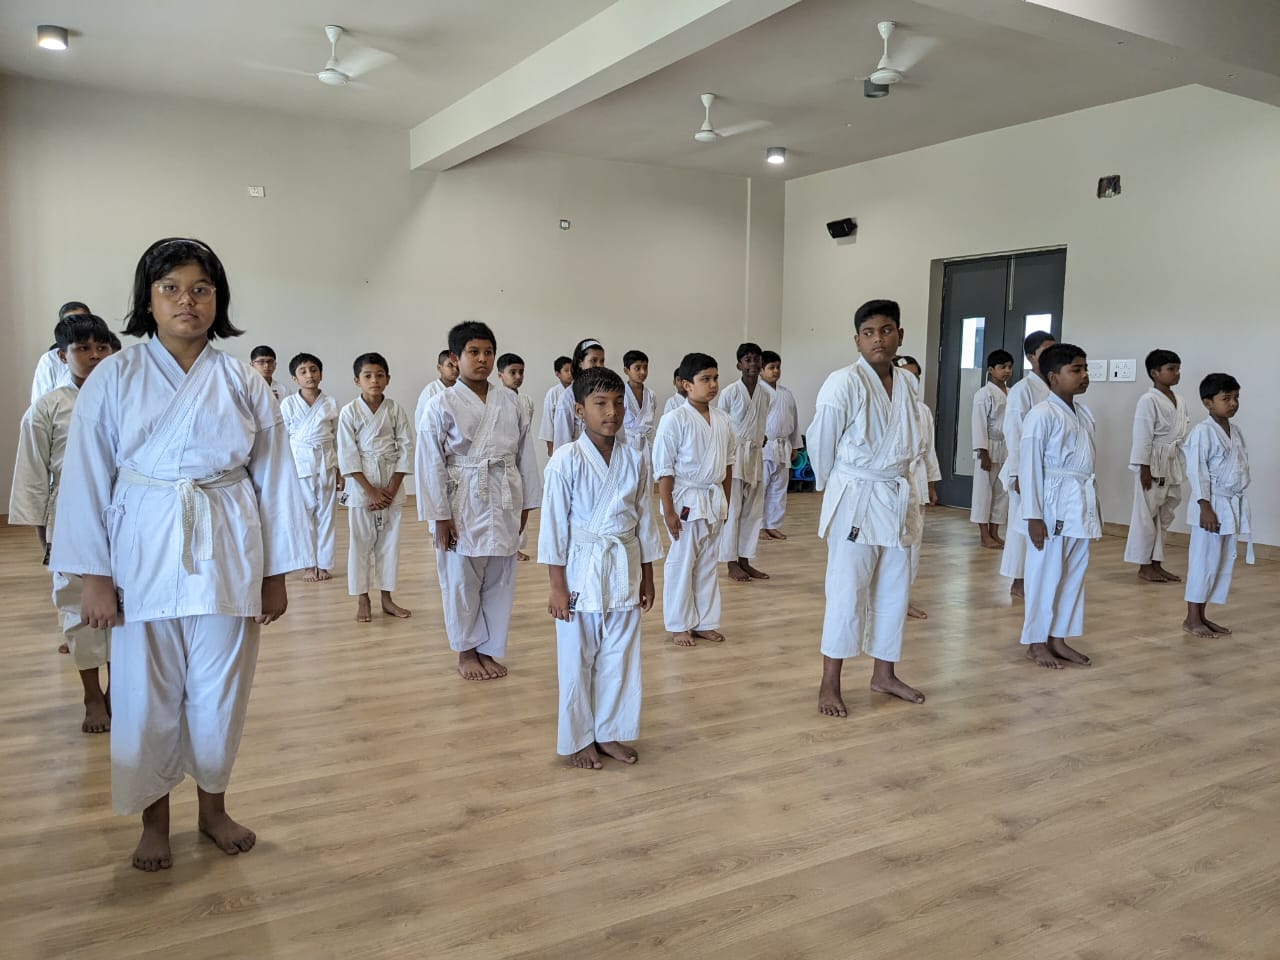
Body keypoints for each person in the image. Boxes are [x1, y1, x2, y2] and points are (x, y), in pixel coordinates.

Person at [50, 237, 312, 872]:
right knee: (144, 694)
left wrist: (275, 574)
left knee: (221, 691)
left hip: (227, 550)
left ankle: (213, 809)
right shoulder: (114, 377)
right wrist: (94, 578)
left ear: (217, 300)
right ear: (148, 300)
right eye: (170, 288)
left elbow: (275, 479)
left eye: (200, 289)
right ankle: (155, 820)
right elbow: (86, 479)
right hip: (142, 550)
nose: (186, 300)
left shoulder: (243, 381)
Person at [808, 300, 928, 718]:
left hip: (895, 494)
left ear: (900, 335)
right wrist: (835, 486)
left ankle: (884, 673)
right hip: (857, 495)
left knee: (895, 588)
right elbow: (821, 442)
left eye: (887, 330)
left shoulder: (908, 383)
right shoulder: (843, 382)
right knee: (847, 590)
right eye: (869, 332)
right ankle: (830, 682)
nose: (879, 339)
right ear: (857, 340)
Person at [540, 366, 662, 769]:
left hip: (624, 564)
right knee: (577, 659)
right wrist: (556, 586)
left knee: (620, 656)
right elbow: (553, 526)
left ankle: (610, 732)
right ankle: (578, 739)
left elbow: (645, 519)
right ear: (579, 410)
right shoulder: (565, 460)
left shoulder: (635, 458)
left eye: (618, 403)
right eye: (601, 403)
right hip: (581, 567)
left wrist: (648, 575)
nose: (612, 411)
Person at [417, 321, 542, 681]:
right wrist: (439, 516)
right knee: (461, 577)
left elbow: (524, 454)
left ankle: (489, 648)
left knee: (501, 576)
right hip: (462, 495)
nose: (483, 359)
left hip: (504, 493)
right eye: (473, 352)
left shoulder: (511, 401)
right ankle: (466, 650)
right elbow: (429, 463)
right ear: (455, 358)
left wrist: (526, 504)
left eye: (488, 352)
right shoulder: (440, 404)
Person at [10, 312, 115, 734]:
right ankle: (92, 695)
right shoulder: (46, 409)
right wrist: (46, 544)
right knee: (77, 609)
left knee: (125, 608)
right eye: (82, 348)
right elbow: (34, 479)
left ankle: (116, 691)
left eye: (101, 347)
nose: (94, 355)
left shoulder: (125, 397)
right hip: (69, 519)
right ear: (61, 355)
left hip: (123, 514)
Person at [1018, 343, 1099, 669]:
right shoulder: (1041, 415)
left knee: (1073, 573)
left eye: (1085, 369)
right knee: (1045, 573)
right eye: (1076, 370)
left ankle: (1058, 637)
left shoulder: (1084, 414)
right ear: (1053, 376)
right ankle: (1036, 641)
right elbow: (1029, 467)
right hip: (1051, 504)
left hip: (1078, 500)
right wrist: (1033, 515)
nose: (1084, 375)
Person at [653, 353, 735, 648]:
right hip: (686, 498)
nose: (713, 385)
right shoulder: (674, 420)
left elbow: (728, 464)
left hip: (713, 498)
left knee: (708, 562)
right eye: (705, 379)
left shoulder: (724, 419)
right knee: (682, 562)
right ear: (686, 384)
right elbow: (664, 470)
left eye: (715, 378)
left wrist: (726, 501)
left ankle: (705, 622)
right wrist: (668, 511)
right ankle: (679, 624)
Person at [338, 352, 413, 622]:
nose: (374, 380)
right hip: (362, 485)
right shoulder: (349, 412)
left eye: (380, 375)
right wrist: (370, 491)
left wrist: (391, 489)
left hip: (391, 479)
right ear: (356, 380)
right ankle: (362, 598)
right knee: (360, 544)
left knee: (389, 544)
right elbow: (347, 454)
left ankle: (387, 598)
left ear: (388, 379)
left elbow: (406, 448)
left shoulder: (395, 410)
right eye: (368, 376)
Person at [1182, 373, 1251, 638]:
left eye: (1236, 398)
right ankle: (1191, 618)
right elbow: (1196, 470)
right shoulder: (1202, 431)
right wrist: (1205, 506)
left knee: (1218, 562)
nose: (1233, 403)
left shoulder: (1236, 431)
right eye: (1226, 398)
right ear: (1208, 402)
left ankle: (1202, 615)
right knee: (1203, 561)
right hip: (1210, 505)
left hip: (1228, 503)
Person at [1123, 349, 1190, 583]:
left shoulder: (1180, 400)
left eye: (1178, 369)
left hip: (1171, 461)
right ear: (1154, 373)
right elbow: (1142, 436)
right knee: (1146, 515)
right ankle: (1144, 565)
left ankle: (1156, 563)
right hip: (1152, 463)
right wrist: (1144, 468)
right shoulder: (1148, 400)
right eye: (1171, 369)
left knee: (1165, 514)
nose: (1176, 373)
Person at [998, 331, 1057, 599]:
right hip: (1024, 466)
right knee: (1021, 525)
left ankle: (1039, 574)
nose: (1050, 356)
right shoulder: (1023, 389)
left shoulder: (1056, 385)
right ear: (1031, 357)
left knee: (1043, 522)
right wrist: (1019, 472)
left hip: (1049, 467)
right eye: (1045, 351)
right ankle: (1019, 579)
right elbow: (1014, 433)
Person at [281, 352, 341, 582]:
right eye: (303, 371)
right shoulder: (288, 404)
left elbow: (337, 439)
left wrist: (339, 469)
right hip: (299, 465)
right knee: (303, 516)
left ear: (321, 374)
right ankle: (308, 564)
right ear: (294, 378)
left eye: (314, 370)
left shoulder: (330, 403)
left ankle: (323, 564)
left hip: (326, 463)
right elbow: (283, 439)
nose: (310, 375)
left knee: (327, 516)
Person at [717, 342, 772, 582]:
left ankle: (745, 560)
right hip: (735, 457)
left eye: (756, 359)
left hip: (756, 456)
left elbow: (760, 424)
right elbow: (721, 427)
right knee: (733, 510)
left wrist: (760, 436)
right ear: (739, 365)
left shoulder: (766, 394)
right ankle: (731, 563)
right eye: (748, 360)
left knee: (753, 511)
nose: (753, 364)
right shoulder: (729, 392)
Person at [895, 356, 940, 620]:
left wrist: (931, 485)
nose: (911, 381)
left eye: (916, 377)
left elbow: (929, 450)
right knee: (894, 541)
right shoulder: (886, 405)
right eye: (906, 376)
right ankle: (885, 598)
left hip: (918, 476)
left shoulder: (923, 411)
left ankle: (905, 597)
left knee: (914, 541)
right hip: (893, 479)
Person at [970, 349, 1013, 548]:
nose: (1007, 371)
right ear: (990, 370)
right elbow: (978, 424)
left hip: (1006, 446)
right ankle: (984, 535)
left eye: (1009, 367)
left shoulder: (1011, 393)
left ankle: (995, 532)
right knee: (983, 492)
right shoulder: (984, 394)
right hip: (988, 446)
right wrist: (983, 452)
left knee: (1002, 491)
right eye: (1002, 367)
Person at [759, 350, 802, 540]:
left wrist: (795, 445)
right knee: (760, 489)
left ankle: (773, 524)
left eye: (778, 367)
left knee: (779, 489)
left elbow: (794, 420)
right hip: (764, 447)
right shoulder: (757, 393)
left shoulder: (786, 393)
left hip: (783, 445)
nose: (776, 371)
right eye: (771, 367)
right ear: (761, 371)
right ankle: (758, 526)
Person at [497, 352, 536, 560]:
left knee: (523, 503)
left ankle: (516, 545)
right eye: (512, 372)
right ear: (500, 375)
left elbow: (525, 434)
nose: (518, 376)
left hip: (520, 456)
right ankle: (506, 545)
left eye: (521, 372)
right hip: (503, 462)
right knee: (507, 507)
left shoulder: (526, 401)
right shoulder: (496, 400)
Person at [551, 338, 608, 451]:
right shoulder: (568, 397)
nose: (599, 365)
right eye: (593, 360)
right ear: (580, 363)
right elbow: (563, 442)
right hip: (579, 456)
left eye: (602, 361)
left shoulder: (606, 392)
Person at [30, 301, 92, 404]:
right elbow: (40, 404)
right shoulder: (50, 360)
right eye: (70, 323)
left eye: (81, 321)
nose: (77, 328)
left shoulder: (101, 354)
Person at [621, 349, 656, 484]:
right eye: (637, 368)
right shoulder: (621, 394)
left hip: (646, 444)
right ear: (626, 370)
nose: (642, 372)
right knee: (628, 484)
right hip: (628, 443)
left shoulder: (651, 395)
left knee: (646, 484)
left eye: (645, 367)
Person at [414, 349, 460, 432]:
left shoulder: (462, 389)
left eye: (457, 366)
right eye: (450, 365)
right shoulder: (430, 391)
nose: (455, 369)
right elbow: (420, 421)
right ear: (439, 368)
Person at [538, 355, 574, 456]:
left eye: (572, 370)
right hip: (559, 438)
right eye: (566, 371)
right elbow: (548, 420)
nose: (570, 373)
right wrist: (550, 446)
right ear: (557, 374)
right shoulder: (553, 393)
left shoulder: (578, 391)